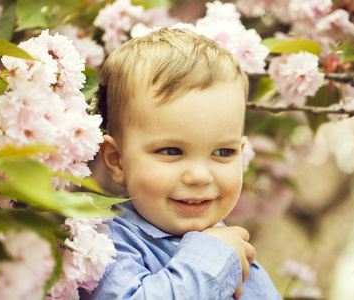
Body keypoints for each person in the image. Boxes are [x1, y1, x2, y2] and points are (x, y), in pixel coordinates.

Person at [80, 28, 282, 300]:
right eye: (172, 150)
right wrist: (213, 258)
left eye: (223, 152)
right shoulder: (105, 246)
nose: (200, 176)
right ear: (117, 160)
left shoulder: (233, 247)